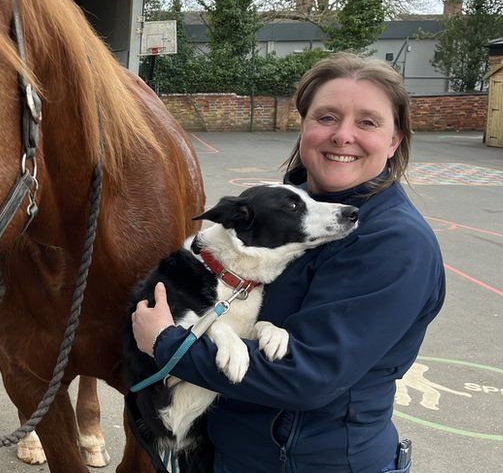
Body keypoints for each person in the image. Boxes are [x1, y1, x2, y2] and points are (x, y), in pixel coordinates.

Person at [132, 53, 445, 473]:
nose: (343, 135)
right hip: (230, 452)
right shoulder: (285, 207)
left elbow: (308, 375)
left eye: (367, 122)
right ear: (304, 126)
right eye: (327, 117)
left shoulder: (395, 244)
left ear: (394, 141)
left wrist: (166, 345)